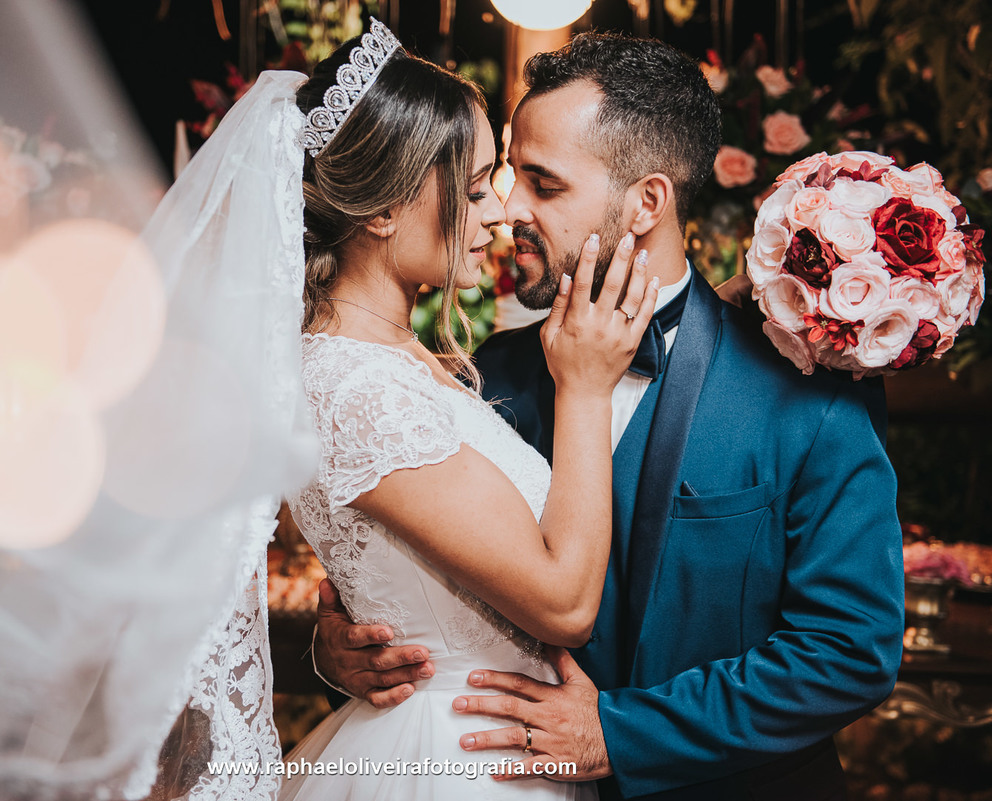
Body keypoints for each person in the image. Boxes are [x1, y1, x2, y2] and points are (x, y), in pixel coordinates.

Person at [313, 32, 904, 801]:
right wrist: (341, 648)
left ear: (646, 202)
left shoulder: (805, 389)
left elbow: (849, 650)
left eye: (543, 183)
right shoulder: (483, 375)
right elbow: (404, 577)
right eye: (507, 175)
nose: (507, 209)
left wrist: (621, 734)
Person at [279, 20, 661, 801]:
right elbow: (564, 603)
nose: (498, 212)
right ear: (385, 209)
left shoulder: (394, 359)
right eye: (478, 183)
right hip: (459, 760)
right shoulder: (356, 387)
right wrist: (585, 389)